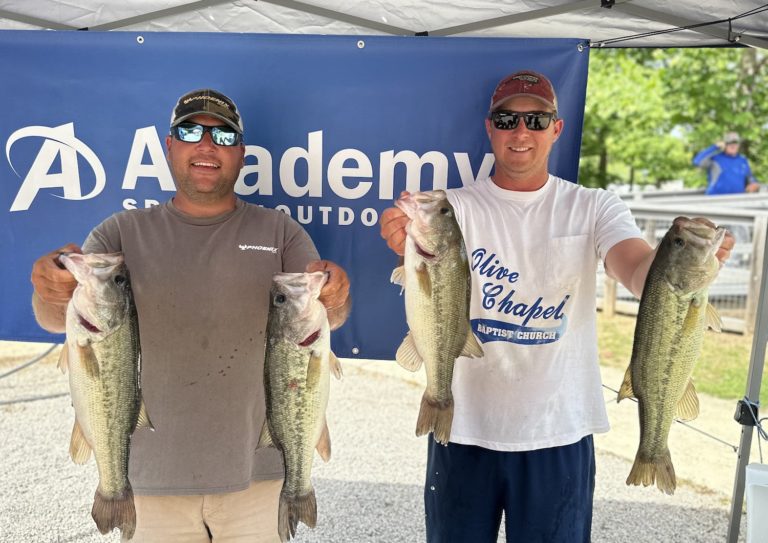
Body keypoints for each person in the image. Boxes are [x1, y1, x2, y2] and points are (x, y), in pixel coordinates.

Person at [379, 70, 734, 542]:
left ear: (556, 128)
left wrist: (685, 261)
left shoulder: (595, 206)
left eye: (537, 119)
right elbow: (424, 283)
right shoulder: (451, 209)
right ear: (490, 128)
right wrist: (400, 241)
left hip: (560, 432)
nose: (521, 131)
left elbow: (636, 271)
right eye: (507, 119)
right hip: (463, 428)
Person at [30, 88, 351, 543]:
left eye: (223, 135)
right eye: (189, 132)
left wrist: (336, 295)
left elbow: (326, 317)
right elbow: (55, 316)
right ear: (169, 146)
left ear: (241, 153)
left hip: (259, 479)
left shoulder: (281, 232)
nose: (206, 145)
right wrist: (50, 288)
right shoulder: (119, 234)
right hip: (148, 482)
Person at [693, 131, 760, 195]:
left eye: (735, 142)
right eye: (730, 143)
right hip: (716, 199)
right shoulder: (715, 158)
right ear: (725, 144)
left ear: (738, 145)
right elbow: (697, 161)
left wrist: (753, 184)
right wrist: (715, 147)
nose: (733, 145)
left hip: (738, 199)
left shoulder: (742, 160)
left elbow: (750, 177)